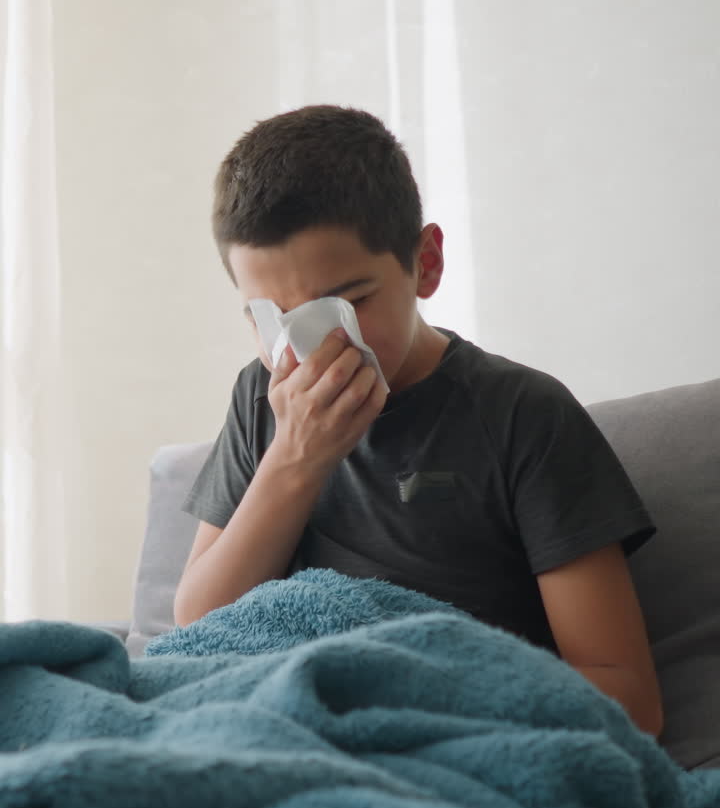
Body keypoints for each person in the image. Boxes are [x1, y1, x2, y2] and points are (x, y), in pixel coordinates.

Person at [175, 105, 663, 737]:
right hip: (277, 725)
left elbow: (629, 698)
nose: (308, 350)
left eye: (346, 304)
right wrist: (297, 458)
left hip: (442, 734)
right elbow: (198, 626)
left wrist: (400, 691)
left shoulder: (522, 415)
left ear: (425, 264)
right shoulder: (260, 396)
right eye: (269, 318)